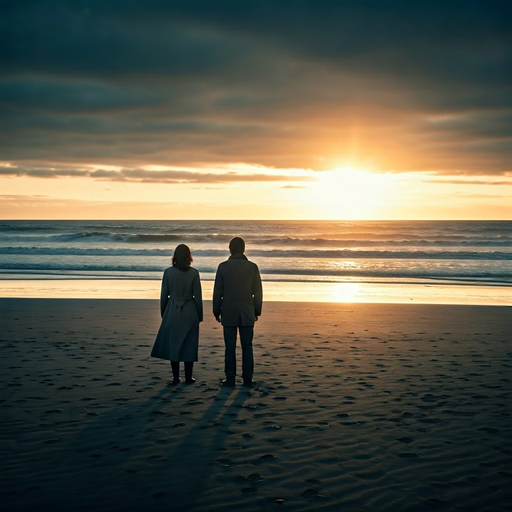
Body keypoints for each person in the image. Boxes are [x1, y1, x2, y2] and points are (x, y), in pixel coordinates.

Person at [213, 237, 263, 387]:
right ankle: (248, 378)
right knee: (247, 346)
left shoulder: (223, 267)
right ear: (244, 249)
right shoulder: (252, 267)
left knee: (230, 347)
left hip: (228, 310)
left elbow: (218, 292)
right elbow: (258, 292)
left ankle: (230, 378)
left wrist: (216, 310)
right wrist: (257, 310)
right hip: (247, 310)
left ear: (230, 249)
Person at [151, 244, 203, 384]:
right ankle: (188, 376)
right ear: (189, 257)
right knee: (189, 343)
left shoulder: (168, 272)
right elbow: (198, 296)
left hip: (172, 309)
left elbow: (163, 295)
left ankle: (175, 377)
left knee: (174, 343)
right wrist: (200, 314)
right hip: (190, 309)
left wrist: (164, 313)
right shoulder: (194, 273)